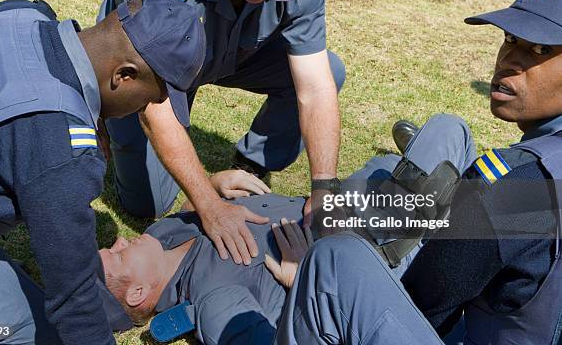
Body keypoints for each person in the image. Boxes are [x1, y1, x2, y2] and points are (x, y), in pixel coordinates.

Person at [274, 0, 562, 345]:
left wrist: (319, 285)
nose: (510, 59)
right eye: (510, 39)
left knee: (333, 260)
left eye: (540, 50)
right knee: (418, 152)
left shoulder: (516, 188)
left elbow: (421, 305)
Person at [0, 0, 205, 345]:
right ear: (125, 76)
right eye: (150, 98)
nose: (145, 108)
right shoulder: (63, 150)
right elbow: (75, 299)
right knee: (45, 334)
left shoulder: (20, 13)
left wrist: (88, 111)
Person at [98, 112, 475, 344]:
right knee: (448, 131)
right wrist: (306, 279)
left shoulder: (163, 237)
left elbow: (188, 207)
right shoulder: (213, 303)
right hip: (366, 247)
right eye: (115, 255)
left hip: (339, 204)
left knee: (389, 165)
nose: (117, 239)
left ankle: (424, 183)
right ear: (137, 293)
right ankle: (433, 195)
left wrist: (211, 187)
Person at [98, 0, 347, 267]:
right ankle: (101, 121)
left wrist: (324, 189)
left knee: (330, 70)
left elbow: (316, 87)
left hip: (230, 53)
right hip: (148, 72)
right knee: (147, 204)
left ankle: (249, 166)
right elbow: (157, 110)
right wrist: (208, 204)